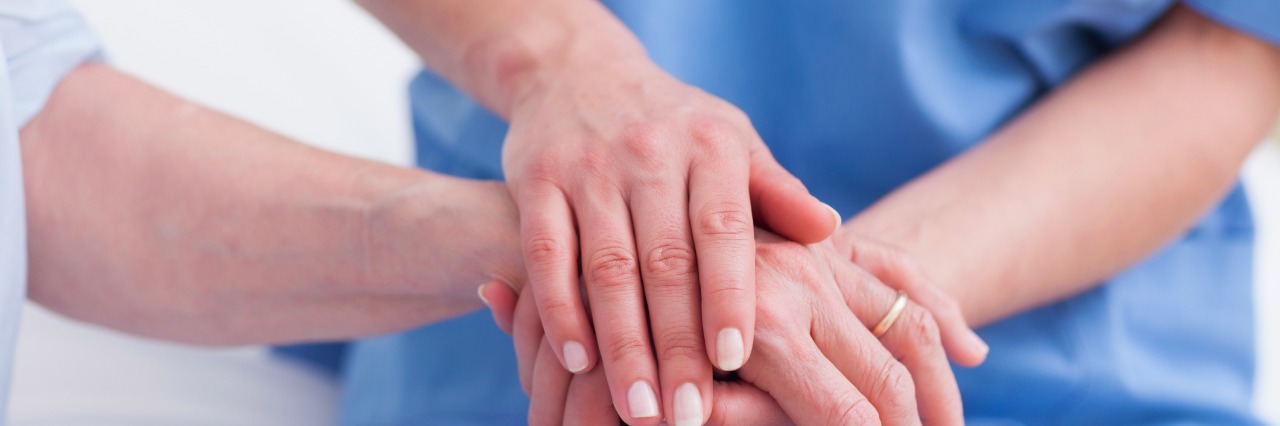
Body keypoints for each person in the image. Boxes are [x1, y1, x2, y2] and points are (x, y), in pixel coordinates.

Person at [4, 0, 960, 422]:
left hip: (993, 298)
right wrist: (563, 77)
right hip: (514, 342)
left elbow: (38, 135)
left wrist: (843, 300)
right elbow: (42, 150)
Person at [332, 0, 1280, 424]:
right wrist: (563, 66)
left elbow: (1230, 50)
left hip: (1052, 335)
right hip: (553, 328)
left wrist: (836, 309)